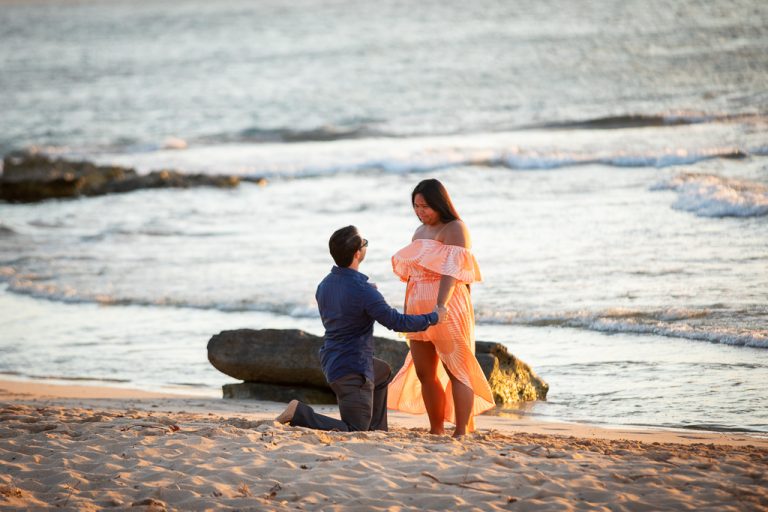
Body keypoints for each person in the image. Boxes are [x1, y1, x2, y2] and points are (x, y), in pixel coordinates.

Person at [276, 225, 446, 431]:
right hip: (352, 370)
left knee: (382, 371)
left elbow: (346, 310)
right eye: (364, 242)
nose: (365, 245)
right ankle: (299, 412)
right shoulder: (363, 290)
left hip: (333, 360)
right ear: (357, 253)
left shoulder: (325, 284)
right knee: (355, 429)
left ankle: (378, 428)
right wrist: (434, 316)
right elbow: (396, 322)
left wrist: (368, 295)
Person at [387, 179, 495, 437]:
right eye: (416, 206)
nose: (420, 211)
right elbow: (412, 277)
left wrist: (440, 306)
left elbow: (452, 271)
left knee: (458, 369)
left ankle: (460, 432)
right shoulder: (419, 232)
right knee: (425, 372)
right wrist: (405, 314)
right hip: (417, 307)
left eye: (425, 206)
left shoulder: (456, 228)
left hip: (447, 306)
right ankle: (436, 429)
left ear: (440, 203)